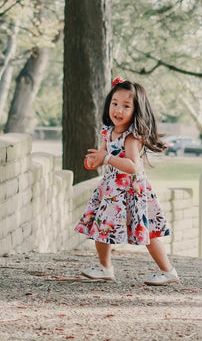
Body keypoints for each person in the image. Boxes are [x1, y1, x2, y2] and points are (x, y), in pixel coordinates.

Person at [75, 78, 179, 286]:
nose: (118, 110)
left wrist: (106, 159)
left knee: (148, 231)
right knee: (101, 225)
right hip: (112, 188)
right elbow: (103, 153)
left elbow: (133, 166)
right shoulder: (108, 130)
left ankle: (168, 271)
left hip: (132, 189)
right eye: (114, 103)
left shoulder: (132, 136)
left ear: (136, 110)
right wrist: (94, 160)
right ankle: (105, 268)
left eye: (125, 106)